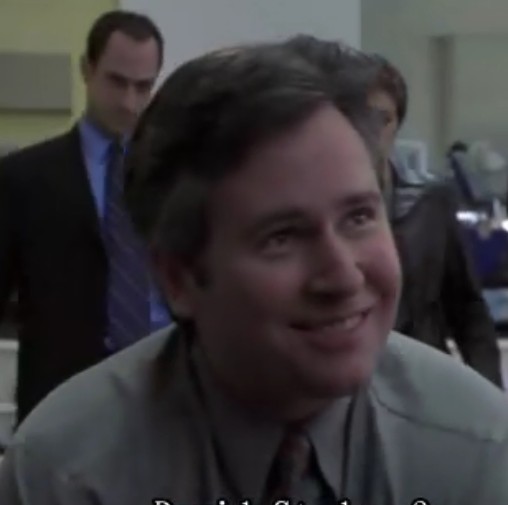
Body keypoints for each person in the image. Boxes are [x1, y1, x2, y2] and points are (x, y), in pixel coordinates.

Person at [1, 39, 508, 505]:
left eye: (358, 217)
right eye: (282, 237)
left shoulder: (478, 453)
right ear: (178, 278)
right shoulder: (66, 474)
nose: (343, 277)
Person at [286, 37, 503, 387]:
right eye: (357, 118)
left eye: (382, 119)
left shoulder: (429, 200)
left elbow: (467, 307)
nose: (369, 133)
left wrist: (489, 393)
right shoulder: (305, 201)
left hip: (420, 378)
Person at [0, 10, 170, 424]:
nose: (129, 102)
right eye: (116, 82)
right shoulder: (24, 177)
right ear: (86, 70)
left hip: (164, 393)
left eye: (143, 87)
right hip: (62, 402)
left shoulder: (174, 175)